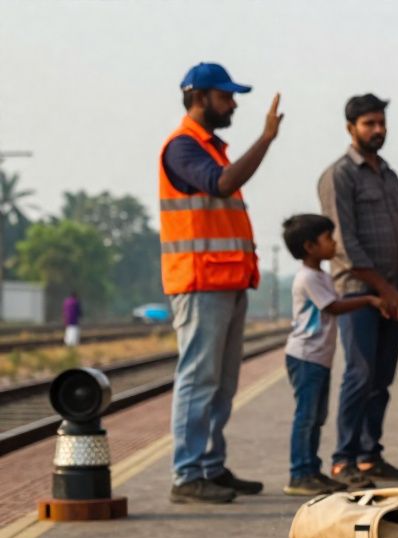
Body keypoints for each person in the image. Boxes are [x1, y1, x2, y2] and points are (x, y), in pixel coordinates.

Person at [160, 62, 282, 504]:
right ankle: (187, 474)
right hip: (200, 281)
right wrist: (266, 139)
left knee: (223, 383)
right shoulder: (182, 148)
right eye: (226, 96)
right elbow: (223, 185)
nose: (232, 105)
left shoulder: (211, 149)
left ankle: (211, 465)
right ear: (200, 98)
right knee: (198, 379)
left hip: (226, 279)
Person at [318, 93, 398, 488]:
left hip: (393, 291)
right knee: (359, 374)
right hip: (358, 292)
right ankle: (343, 460)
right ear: (351, 128)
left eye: (381, 122)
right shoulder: (339, 175)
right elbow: (345, 244)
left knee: (381, 379)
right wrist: (384, 289)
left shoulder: (389, 175)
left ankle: (369, 456)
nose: (378, 130)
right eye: (369, 124)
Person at [281, 214, 383, 495]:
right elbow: (333, 307)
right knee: (306, 417)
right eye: (328, 238)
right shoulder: (307, 278)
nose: (334, 243)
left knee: (316, 416)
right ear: (310, 246)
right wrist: (369, 299)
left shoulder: (322, 276)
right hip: (305, 357)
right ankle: (299, 473)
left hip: (318, 358)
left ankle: (311, 470)